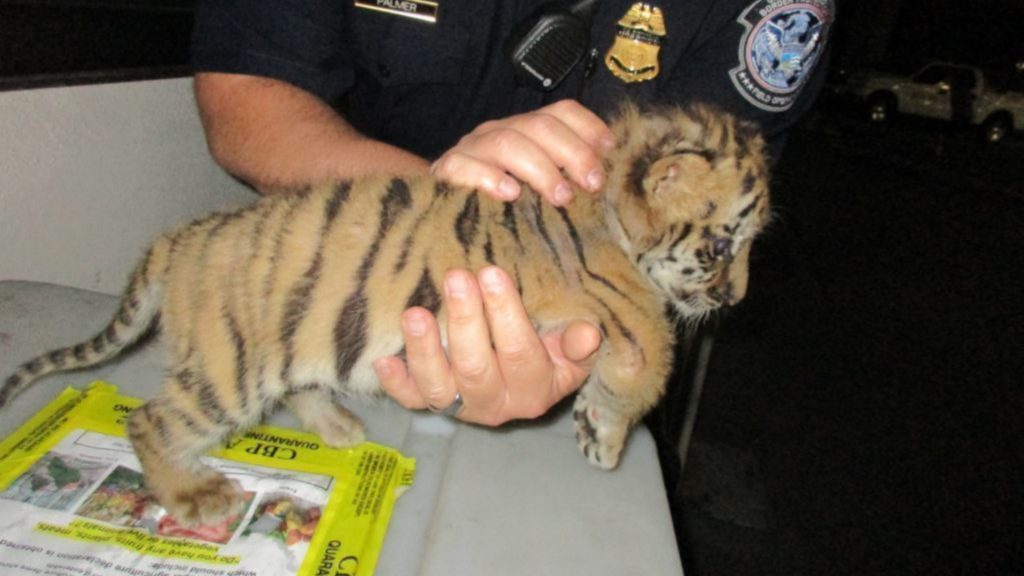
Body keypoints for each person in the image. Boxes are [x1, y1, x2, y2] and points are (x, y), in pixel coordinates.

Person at [190, 0, 835, 426]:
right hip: (342, 299)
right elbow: (245, 95)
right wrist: (448, 215)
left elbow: (707, 219)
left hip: (580, 352)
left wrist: (584, 343)